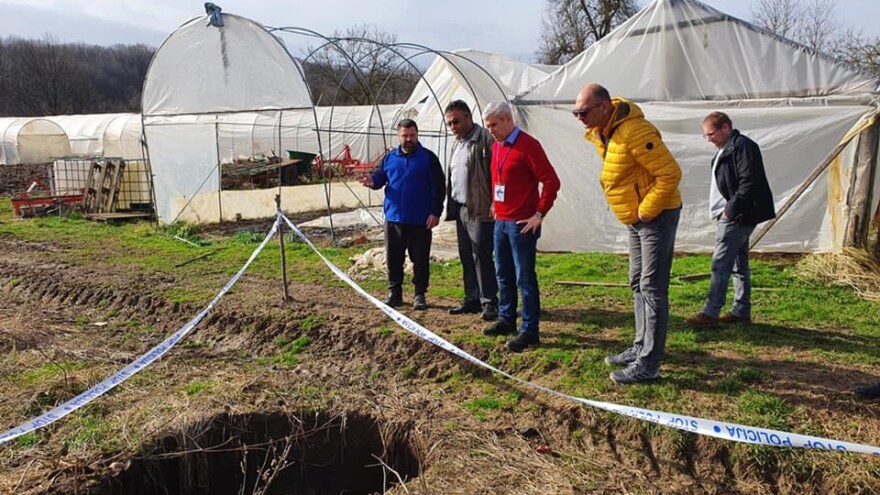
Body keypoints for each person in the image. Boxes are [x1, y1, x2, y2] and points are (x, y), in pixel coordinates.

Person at [575, 83, 682, 384]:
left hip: (655, 217)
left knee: (652, 287)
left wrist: (647, 210)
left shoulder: (635, 131)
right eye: (576, 112)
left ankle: (649, 364)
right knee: (638, 282)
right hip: (637, 219)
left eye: (583, 112)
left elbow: (670, 173)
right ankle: (640, 347)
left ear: (605, 107)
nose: (579, 118)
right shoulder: (607, 132)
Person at [481, 101, 560, 353]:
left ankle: (530, 330)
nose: (490, 130)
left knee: (524, 277)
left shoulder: (529, 146)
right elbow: (498, 178)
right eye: (487, 126)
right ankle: (506, 319)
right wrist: (495, 201)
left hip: (521, 223)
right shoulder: (497, 146)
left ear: (507, 119)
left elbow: (551, 181)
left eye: (494, 124)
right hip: (501, 221)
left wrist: (539, 214)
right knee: (502, 273)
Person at [685, 112, 775, 327]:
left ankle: (710, 313)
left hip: (737, 215)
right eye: (705, 136)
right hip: (735, 214)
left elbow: (748, 181)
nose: (709, 139)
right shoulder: (725, 149)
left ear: (726, 127)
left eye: (711, 134)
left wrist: (729, 210)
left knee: (720, 264)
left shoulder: (742, 146)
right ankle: (741, 311)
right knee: (738, 264)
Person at [361, 119, 445, 310]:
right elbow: (379, 177)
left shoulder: (428, 158)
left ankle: (419, 294)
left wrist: (435, 212)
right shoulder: (390, 158)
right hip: (394, 218)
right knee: (394, 258)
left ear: (417, 135)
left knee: (420, 259)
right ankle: (395, 292)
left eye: (412, 135)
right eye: (405, 136)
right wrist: (371, 180)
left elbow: (439, 187)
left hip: (421, 220)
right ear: (399, 136)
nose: (409, 139)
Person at [443, 100, 499, 321]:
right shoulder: (457, 143)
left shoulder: (486, 139)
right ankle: (472, 299)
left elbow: (497, 173)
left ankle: (490, 302)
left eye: (456, 121)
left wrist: (494, 202)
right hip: (461, 207)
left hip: (479, 208)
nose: (453, 126)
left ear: (468, 117)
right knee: (467, 255)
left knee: (482, 255)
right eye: (449, 123)